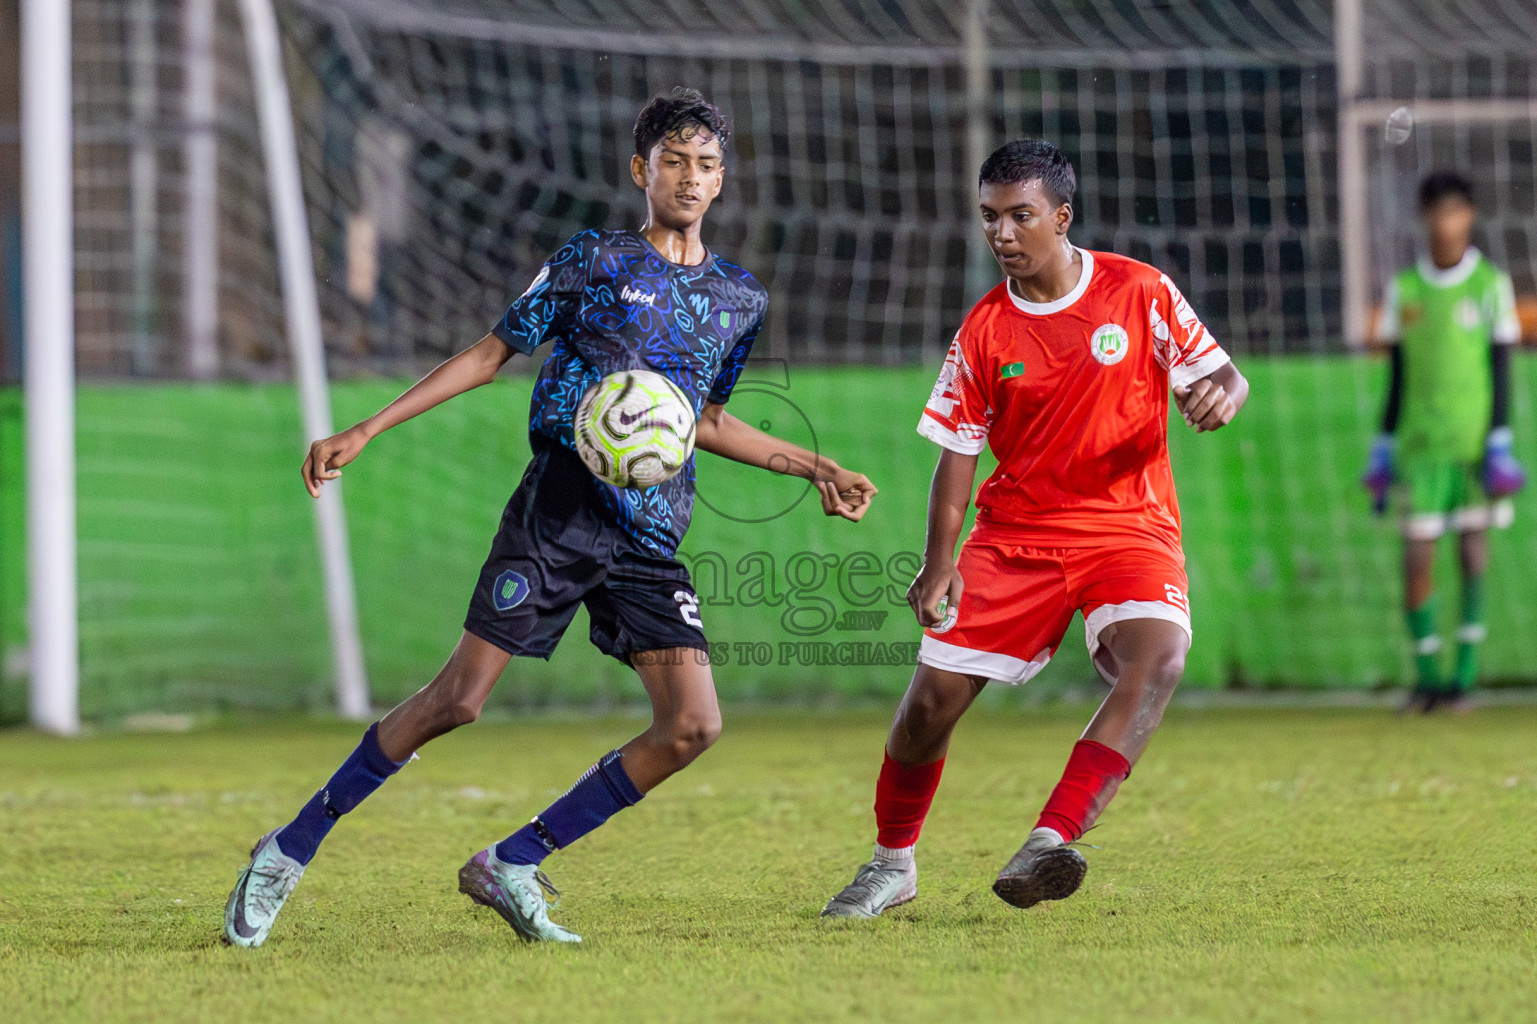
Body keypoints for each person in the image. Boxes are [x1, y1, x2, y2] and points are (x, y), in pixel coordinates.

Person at [223, 88, 877, 947]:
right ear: (641, 170)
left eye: (707, 165)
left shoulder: (736, 299)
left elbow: (704, 419)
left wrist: (814, 464)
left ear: (723, 181)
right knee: (458, 700)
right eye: (673, 161)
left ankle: (514, 861)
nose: (690, 177)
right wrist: (367, 427)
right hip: (560, 512)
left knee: (692, 725)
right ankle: (287, 849)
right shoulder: (594, 260)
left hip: (649, 535)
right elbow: (493, 353)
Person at [821, 138, 1248, 918]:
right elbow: (957, 454)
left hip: (1128, 529)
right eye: (989, 219)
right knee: (926, 710)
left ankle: (1050, 840)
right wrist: (938, 563)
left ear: (1061, 215)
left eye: (1020, 216)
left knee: (1157, 659)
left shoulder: (1140, 291)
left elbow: (1223, 374)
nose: (1003, 234)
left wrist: (1222, 395)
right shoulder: (984, 329)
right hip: (1015, 537)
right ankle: (891, 864)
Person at [1362, 171, 1524, 713]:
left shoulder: (1490, 286)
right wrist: (1383, 445)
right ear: (1425, 217)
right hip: (1420, 449)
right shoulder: (1405, 289)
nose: (1445, 222)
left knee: (1474, 556)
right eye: (1436, 212)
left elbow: (1501, 366)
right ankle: (1428, 678)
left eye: (1455, 211)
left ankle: (1465, 679)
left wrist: (1500, 437)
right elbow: (1399, 375)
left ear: (1470, 215)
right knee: (1417, 559)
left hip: (1475, 449)